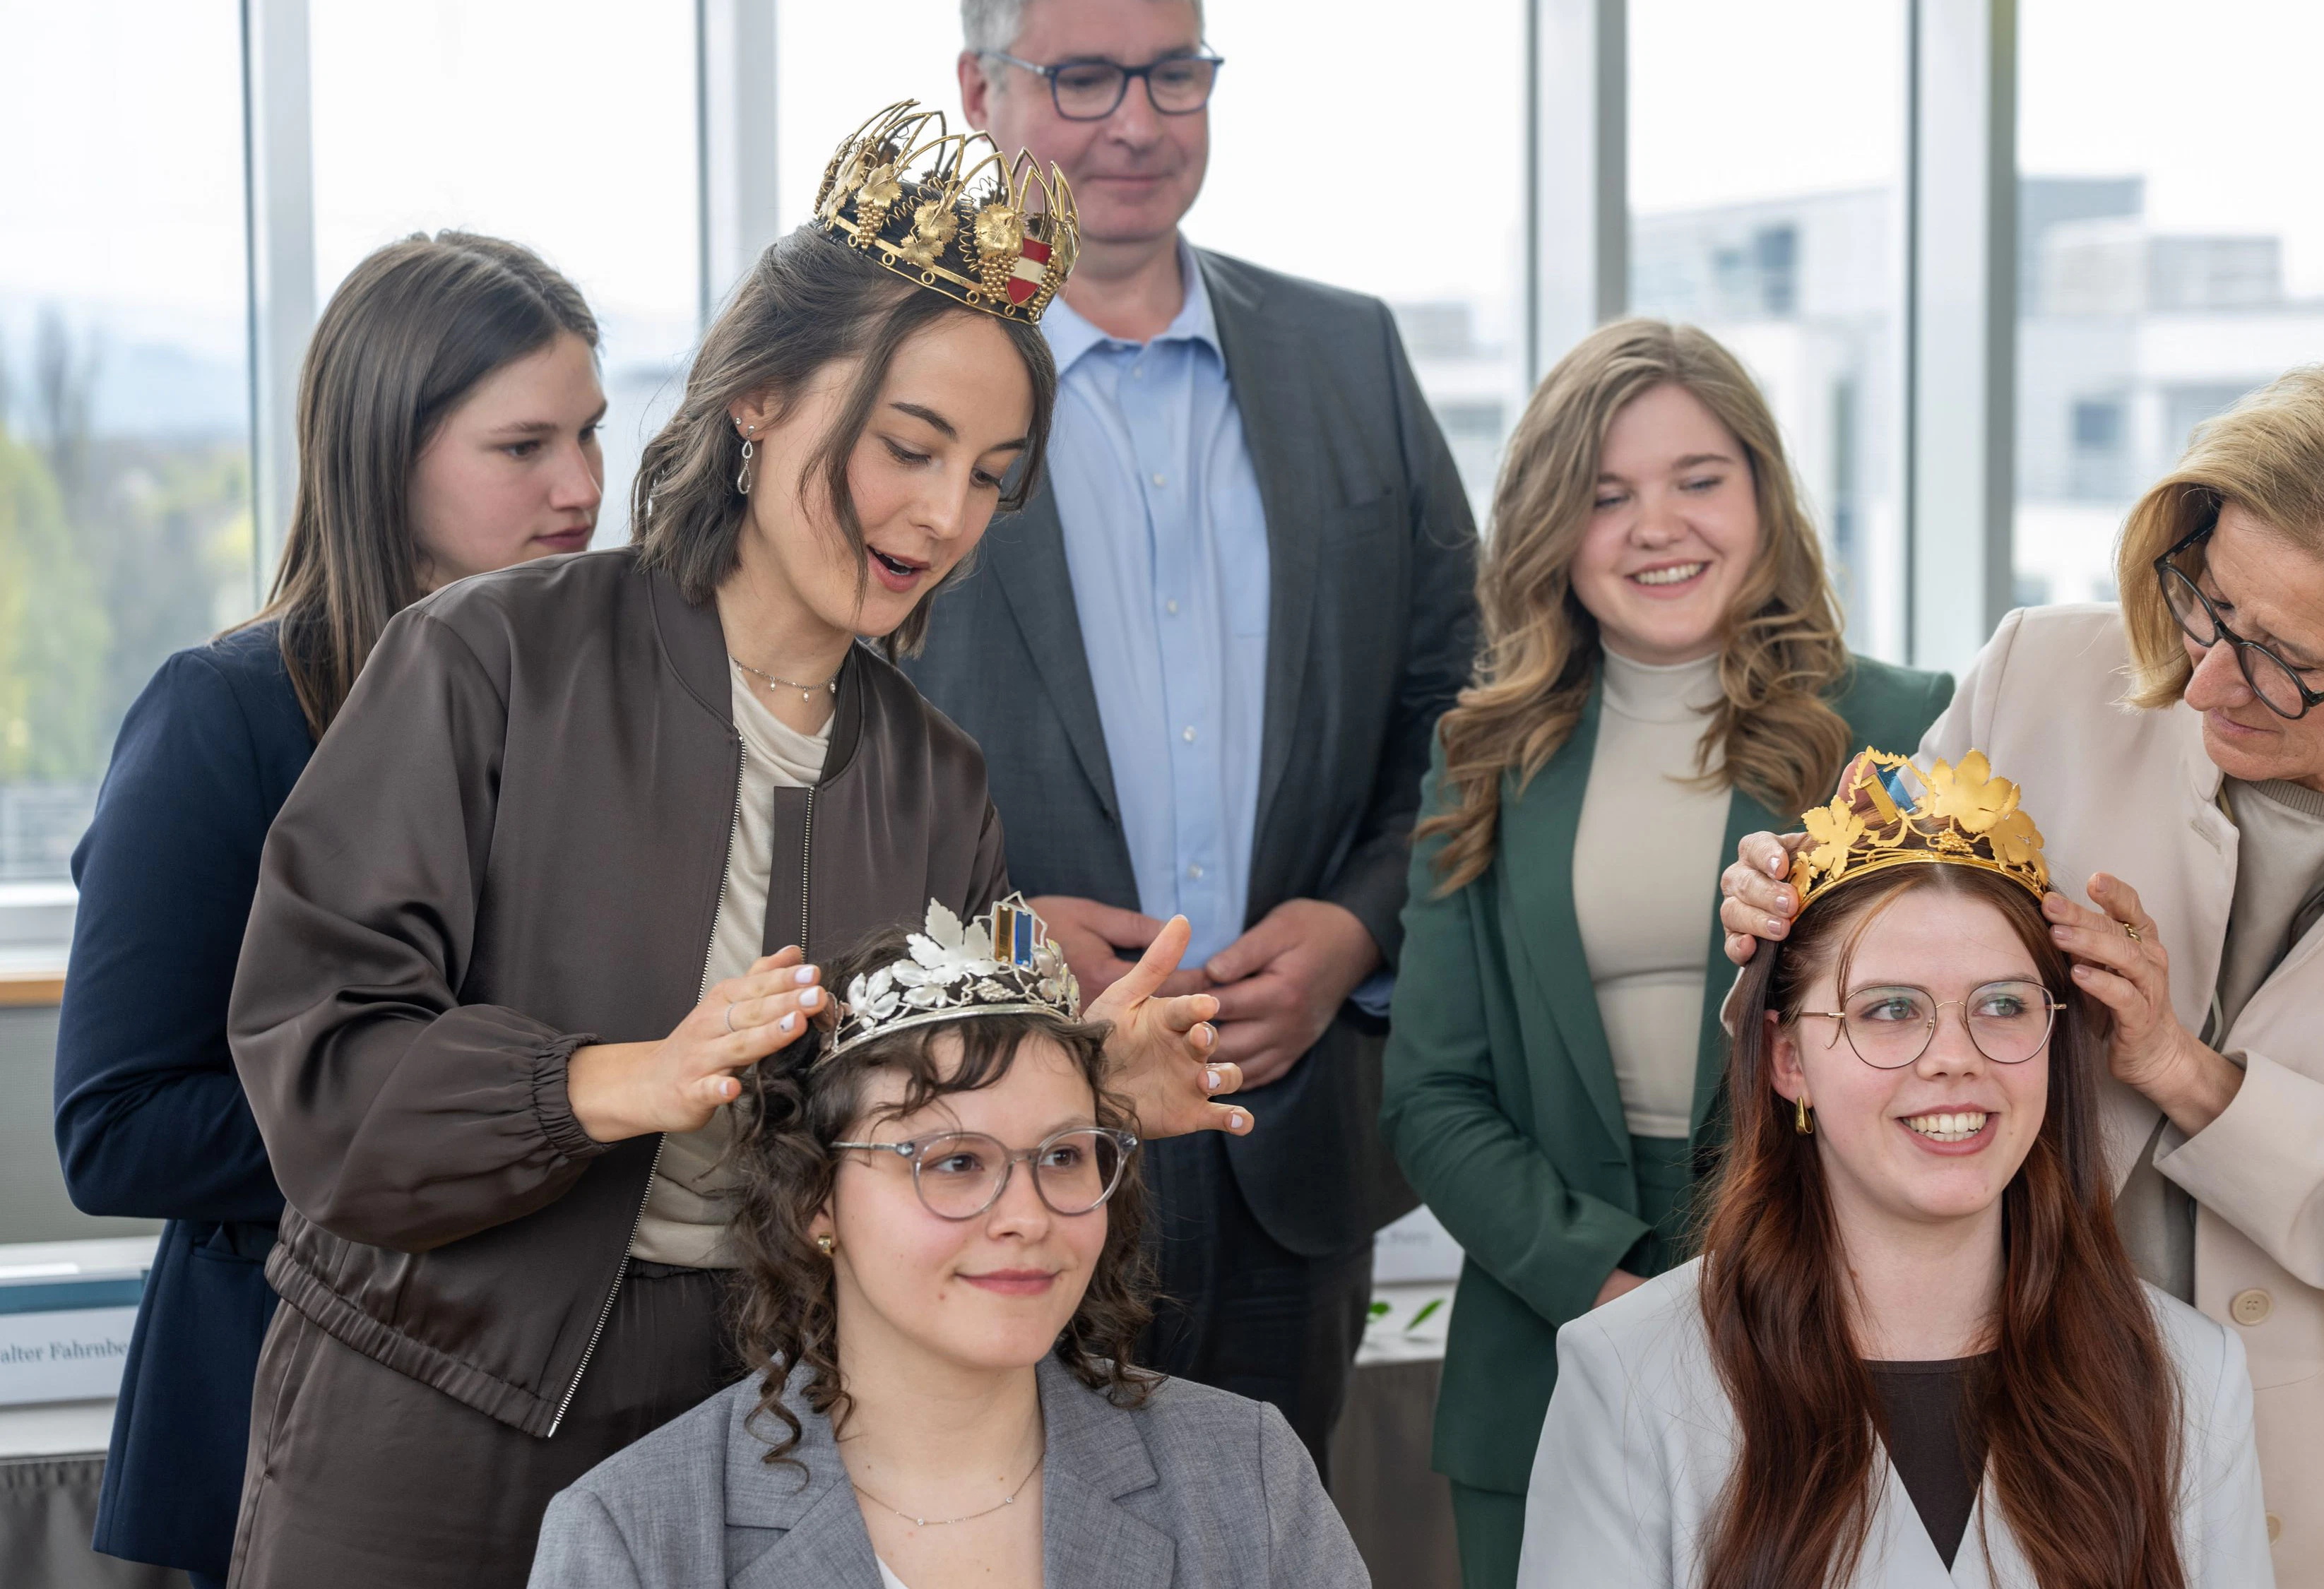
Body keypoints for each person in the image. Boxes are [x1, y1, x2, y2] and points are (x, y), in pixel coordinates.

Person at [223, 103, 1245, 1588]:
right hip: (435, 1414)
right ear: (757, 397)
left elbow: (910, 1127)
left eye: (988, 474)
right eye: (908, 446)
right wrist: (619, 1081)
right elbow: (320, 1068)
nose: (942, 514)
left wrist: (1093, 1090)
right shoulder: (484, 660)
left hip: (756, 1429)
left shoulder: (933, 778)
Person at [1718, 358, 2324, 1585]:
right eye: (2209, 602)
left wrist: (2185, 1071)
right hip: (2001, 1429)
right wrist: (1785, 918)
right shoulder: (2041, 675)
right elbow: (1859, 996)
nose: (2206, 678)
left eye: (2284, 659)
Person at [904, 0, 1477, 1463]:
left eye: (1173, 74)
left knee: (1270, 1540)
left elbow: (1461, 703)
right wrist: (991, 940)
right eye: (1084, 78)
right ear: (979, 89)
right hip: (996, 1141)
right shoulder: (900, 381)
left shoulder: (1349, 356)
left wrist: (1359, 926)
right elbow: (805, 735)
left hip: (1289, 1139)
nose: (1136, 123)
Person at [51, 231, 606, 1588]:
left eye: (592, 433)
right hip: (281, 1418)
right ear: (386, 456)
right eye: (524, 447)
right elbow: (115, 1131)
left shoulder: (603, 709)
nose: (584, 487)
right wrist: (474, 1126)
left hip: (553, 1415)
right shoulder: (223, 716)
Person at [1380, 318, 1951, 1587]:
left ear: (1763, 493)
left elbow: (1946, 1047)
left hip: (1833, 1325)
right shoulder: (1481, 756)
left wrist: (1757, 1301)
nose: (1658, 527)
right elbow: (1431, 1092)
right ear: (1550, 526)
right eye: (1606, 495)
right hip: (1546, 1340)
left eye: (1699, 479)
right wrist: (1620, 1297)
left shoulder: (1906, 726)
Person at [1522, 751, 2273, 1588]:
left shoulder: (2187, 1374)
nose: (1955, 1057)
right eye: (1889, 1010)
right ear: (1787, 1060)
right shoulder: (1628, 1372)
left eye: (2002, 1005)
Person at [530, 901, 1369, 1588]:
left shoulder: (1245, 1477)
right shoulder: (636, 1539)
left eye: (1063, 1156)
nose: (1027, 1218)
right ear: (816, 1200)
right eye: (955, 1162)